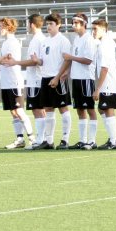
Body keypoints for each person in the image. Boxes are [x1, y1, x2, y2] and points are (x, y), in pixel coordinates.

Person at [0, 17, 35, 149]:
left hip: (14, 81)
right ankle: (19, 139)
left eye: (1, 26)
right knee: (13, 111)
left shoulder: (12, 42)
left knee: (19, 110)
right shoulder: (5, 42)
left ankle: (32, 138)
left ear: (8, 27)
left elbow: (7, 59)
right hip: (6, 82)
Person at [3, 14, 47, 150]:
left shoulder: (36, 40)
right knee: (34, 110)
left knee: (37, 110)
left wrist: (15, 62)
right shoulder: (37, 39)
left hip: (33, 80)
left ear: (31, 24)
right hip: (33, 80)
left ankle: (39, 139)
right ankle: (35, 139)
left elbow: (35, 61)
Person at [55, 13, 98, 150]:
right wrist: (67, 72)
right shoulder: (76, 39)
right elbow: (76, 59)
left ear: (84, 23)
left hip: (86, 79)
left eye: (77, 23)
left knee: (90, 109)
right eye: (73, 22)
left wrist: (71, 57)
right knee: (80, 110)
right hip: (76, 78)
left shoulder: (88, 39)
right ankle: (82, 140)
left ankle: (91, 141)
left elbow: (88, 60)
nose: (74, 25)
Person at [37, 13, 73, 150]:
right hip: (45, 78)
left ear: (59, 25)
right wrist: (36, 60)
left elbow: (67, 60)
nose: (48, 26)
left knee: (63, 108)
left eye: (51, 24)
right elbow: (42, 60)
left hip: (57, 78)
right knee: (48, 109)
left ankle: (65, 139)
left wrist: (58, 77)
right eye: (47, 24)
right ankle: (49, 141)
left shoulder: (63, 40)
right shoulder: (45, 41)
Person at [92, 18, 116, 149]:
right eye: (92, 29)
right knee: (101, 108)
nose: (93, 32)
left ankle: (114, 141)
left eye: (95, 29)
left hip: (109, 82)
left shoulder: (105, 44)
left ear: (103, 29)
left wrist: (98, 88)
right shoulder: (107, 42)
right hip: (111, 81)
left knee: (108, 109)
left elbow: (104, 68)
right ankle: (112, 137)